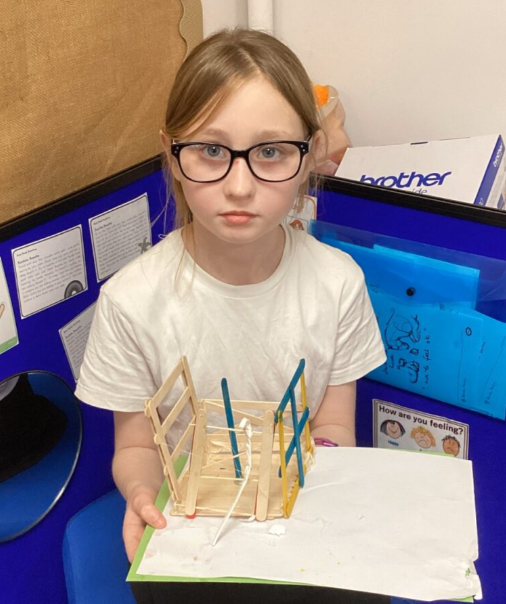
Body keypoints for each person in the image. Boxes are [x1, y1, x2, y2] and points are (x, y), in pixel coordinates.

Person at [76, 28, 387, 604]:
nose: (239, 187)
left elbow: (333, 428)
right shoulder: (130, 301)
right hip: (193, 533)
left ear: (309, 155)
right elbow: (137, 447)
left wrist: (318, 475)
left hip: (300, 523)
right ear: (172, 153)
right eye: (211, 151)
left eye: (270, 152)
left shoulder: (338, 283)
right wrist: (143, 494)